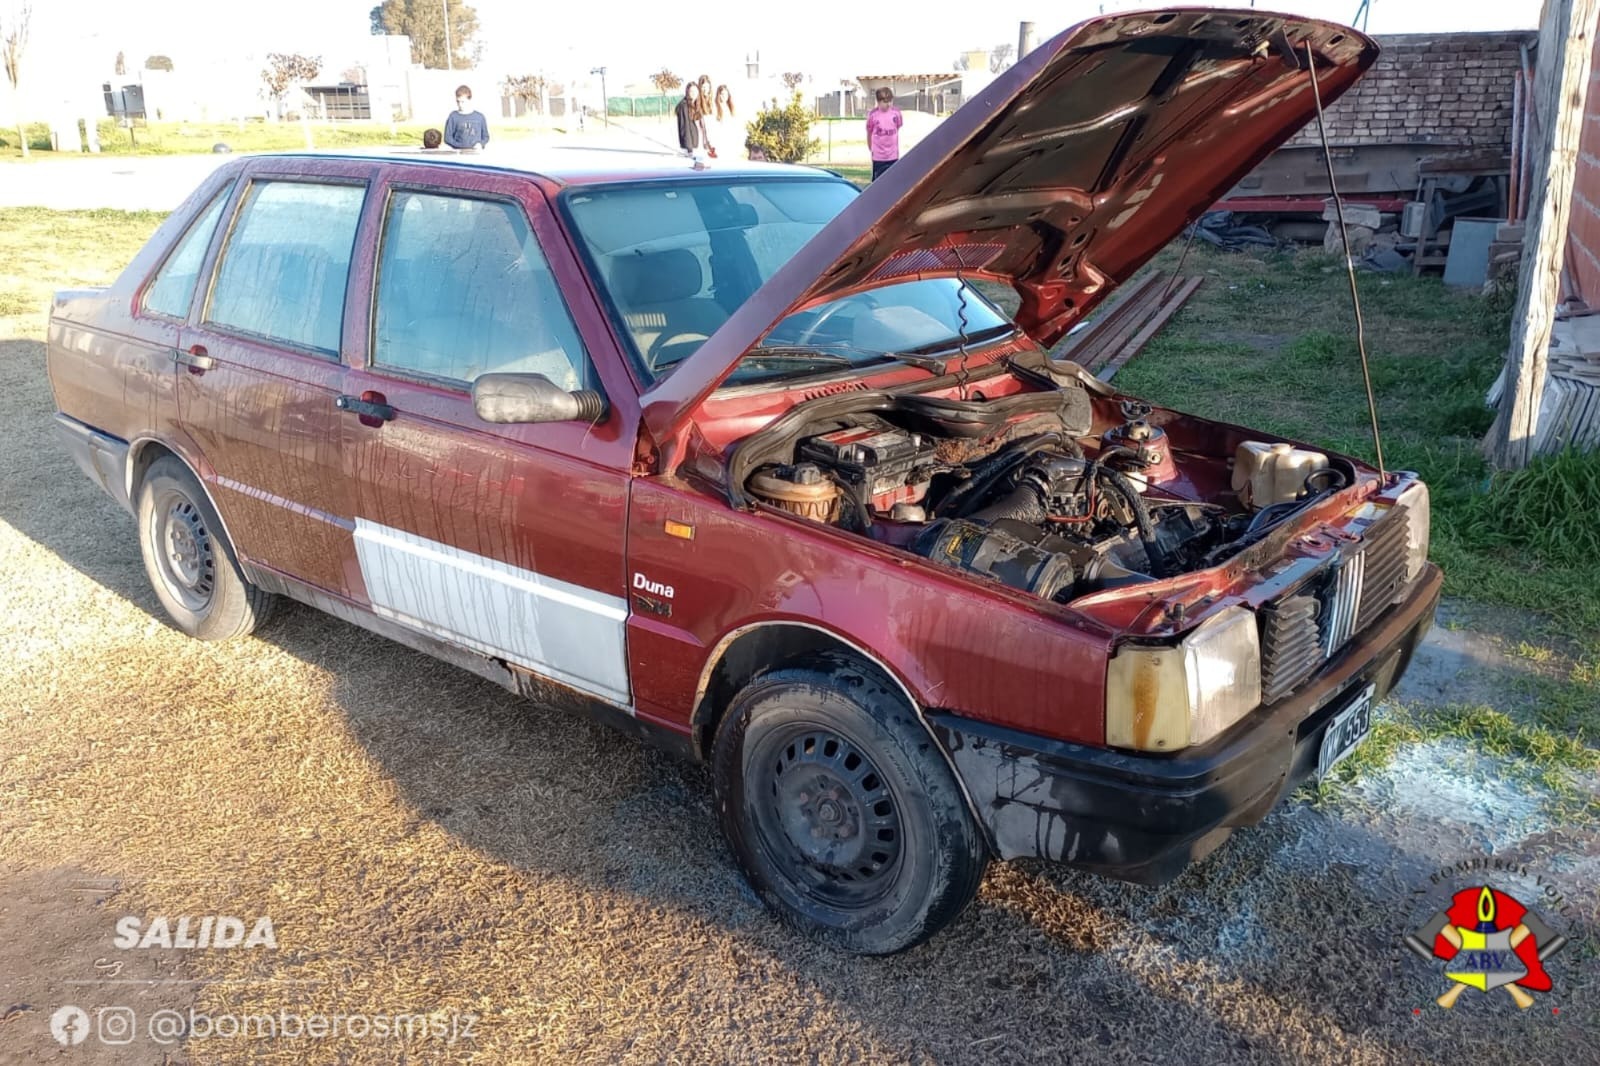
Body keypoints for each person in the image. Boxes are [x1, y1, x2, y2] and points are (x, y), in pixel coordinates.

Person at [866, 86, 902, 181]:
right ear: (878, 102)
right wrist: (871, 148)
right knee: (878, 181)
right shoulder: (873, 115)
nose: (888, 104)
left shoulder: (896, 113)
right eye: (885, 102)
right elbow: (869, 132)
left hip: (893, 155)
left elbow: (897, 127)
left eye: (890, 101)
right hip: (878, 156)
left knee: (893, 181)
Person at [443, 85, 490, 149]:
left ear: (470, 100)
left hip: (476, 153)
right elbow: (447, 138)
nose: (460, 104)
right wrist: (460, 146)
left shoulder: (480, 117)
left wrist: (480, 144)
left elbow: (486, 137)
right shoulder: (453, 116)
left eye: (463, 102)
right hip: (458, 153)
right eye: (458, 101)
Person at [705, 85, 737, 160]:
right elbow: (711, 128)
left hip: (729, 141)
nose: (724, 96)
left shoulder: (730, 108)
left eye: (726, 94)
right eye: (722, 94)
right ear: (718, 95)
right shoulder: (714, 108)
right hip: (718, 142)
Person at [675, 82, 706, 156]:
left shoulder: (696, 104)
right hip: (691, 148)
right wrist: (689, 149)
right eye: (691, 91)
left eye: (695, 91)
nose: (694, 93)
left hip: (698, 144)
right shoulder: (683, 106)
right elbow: (684, 129)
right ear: (687, 92)